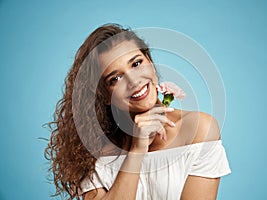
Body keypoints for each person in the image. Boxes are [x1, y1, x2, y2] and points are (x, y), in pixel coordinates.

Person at [45, 23, 231, 200]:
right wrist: (136, 150)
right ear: (105, 95)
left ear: (150, 63)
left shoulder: (199, 130)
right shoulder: (93, 147)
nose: (134, 81)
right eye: (115, 78)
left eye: (136, 63)